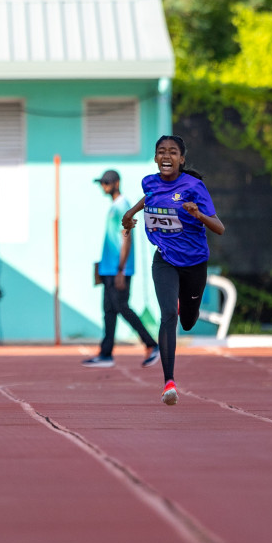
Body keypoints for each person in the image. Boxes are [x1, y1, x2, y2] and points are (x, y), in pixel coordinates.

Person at [121, 135, 225, 405]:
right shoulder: (149, 182)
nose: (167, 156)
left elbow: (219, 228)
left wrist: (198, 215)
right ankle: (169, 382)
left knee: (187, 322)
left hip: (194, 263)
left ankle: (186, 305)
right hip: (164, 259)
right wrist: (131, 213)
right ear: (156, 158)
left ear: (181, 159)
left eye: (173, 152)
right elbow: (150, 197)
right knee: (168, 314)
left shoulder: (194, 186)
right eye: (161, 152)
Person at [82, 170, 159, 369]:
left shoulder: (123, 207)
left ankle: (152, 345)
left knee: (122, 308)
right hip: (109, 269)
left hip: (118, 270)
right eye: (102, 183)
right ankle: (106, 354)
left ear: (116, 183)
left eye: (106, 183)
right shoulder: (114, 207)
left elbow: (126, 238)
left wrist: (120, 270)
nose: (104, 186)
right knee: (109, 311)